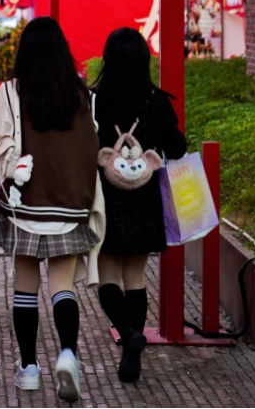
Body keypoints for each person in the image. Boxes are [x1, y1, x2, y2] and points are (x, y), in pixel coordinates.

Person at [0, 17, 104, 401]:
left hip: (26, 206)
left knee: (25, 287)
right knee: (63, 287)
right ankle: (67, 354)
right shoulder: (81, 94)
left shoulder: (11, 91)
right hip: (69, 205)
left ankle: (30, 367)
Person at [91, 28, 187, 384]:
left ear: (108, 59)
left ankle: (128, 333)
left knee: (106, 278)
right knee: (135, 278)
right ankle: (131, 351)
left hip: (107, 199)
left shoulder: (95, 100)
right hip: (144, 201)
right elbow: (177, 148)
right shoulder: (156, 101)